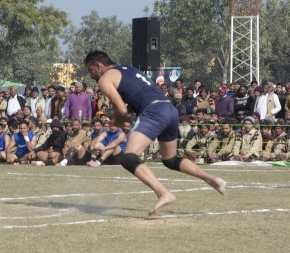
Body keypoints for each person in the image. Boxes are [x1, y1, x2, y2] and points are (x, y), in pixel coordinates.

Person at [84, 51, 225, 215]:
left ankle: (163, 193)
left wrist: (117, 120)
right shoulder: (130, 69)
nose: (91, 75)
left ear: (98, 66)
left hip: (154, 111)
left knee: (129, 156)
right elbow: (136, 101)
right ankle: (211, 179)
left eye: (90, 71)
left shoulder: (105, 78)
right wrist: (118, 114)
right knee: (170, 159)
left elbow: (122, 111)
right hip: (169, 109)